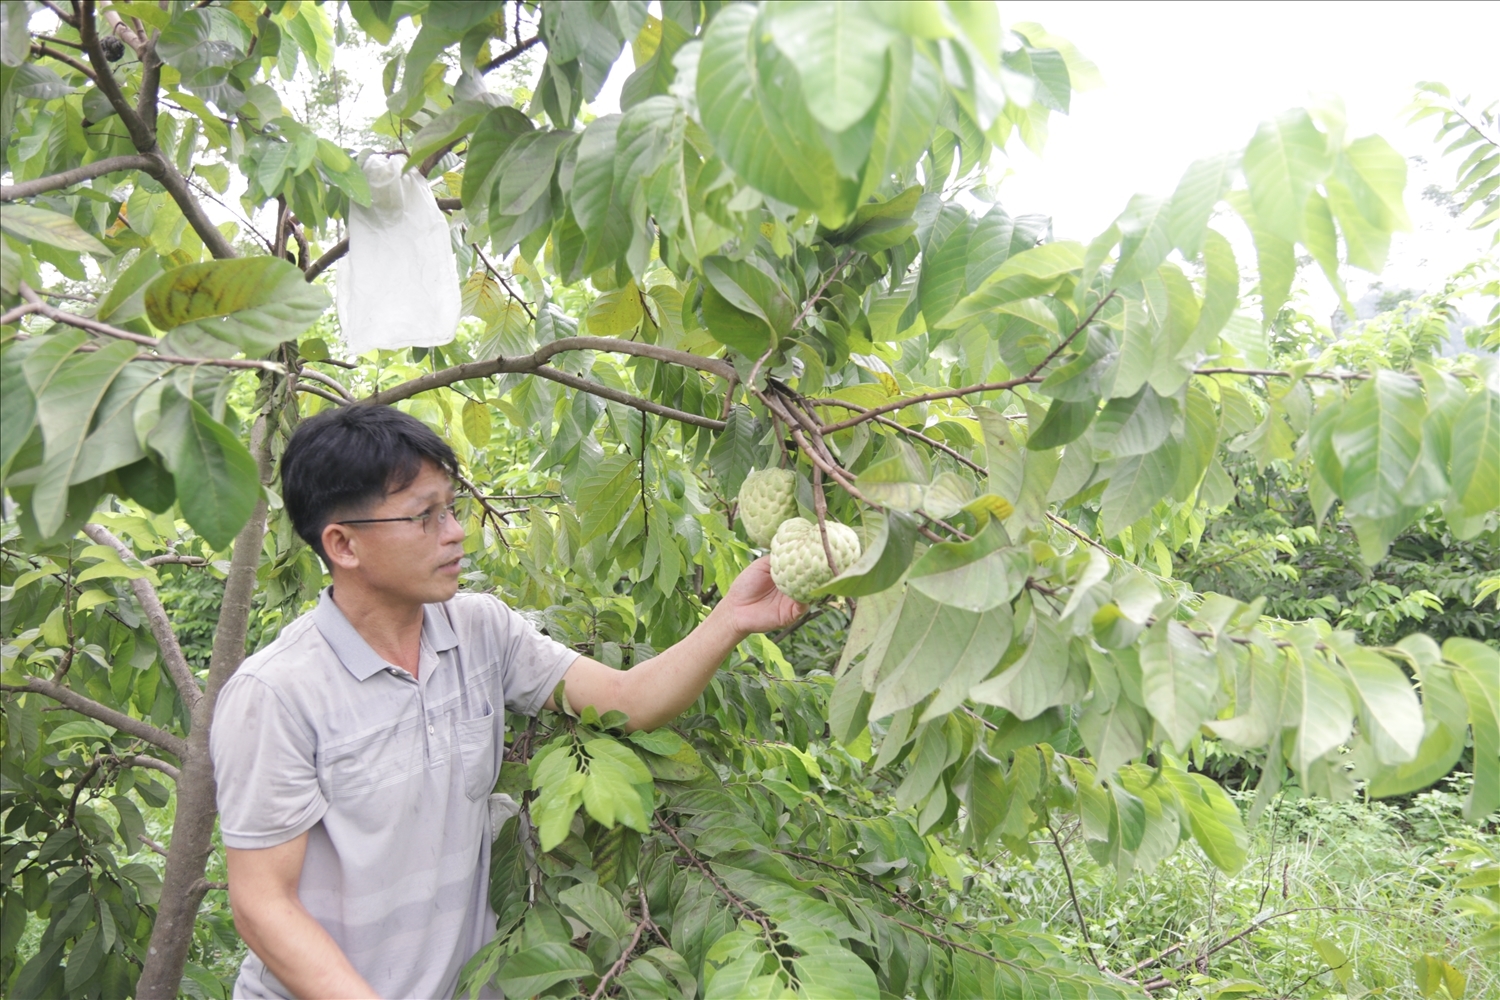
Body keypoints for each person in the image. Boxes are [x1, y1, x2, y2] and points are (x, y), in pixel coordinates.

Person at [211, 405, 802, 999]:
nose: (455, 531)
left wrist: (732, 617)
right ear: (344, 544)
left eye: (452, 507)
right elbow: (264, 906)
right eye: (424, 516)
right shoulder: (278, 694)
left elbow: (626, 701)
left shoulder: (480, 631)